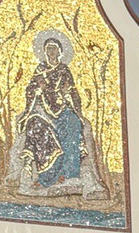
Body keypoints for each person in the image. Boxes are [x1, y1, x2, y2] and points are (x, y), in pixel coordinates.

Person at [7, 30, 110, 201]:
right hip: (41, 109)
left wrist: (72, 101)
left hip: (62, 108)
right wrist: (37, 89)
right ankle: (46, 177)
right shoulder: (40, 70)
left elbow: (73, 92)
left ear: (60, 52)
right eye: (49, 49)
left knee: (73, 123)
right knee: (36, 126)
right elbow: (30, 91)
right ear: (44, 52)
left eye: (54, 49)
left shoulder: (64, 70)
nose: (51, 52)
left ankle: (70, 176)